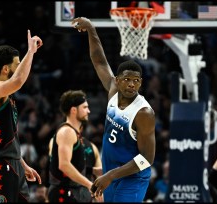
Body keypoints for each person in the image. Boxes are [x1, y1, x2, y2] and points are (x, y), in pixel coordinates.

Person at [71, 17, 156, 202]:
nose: (131, 84)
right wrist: (91, 30)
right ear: (117, 80)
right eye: (127, 79)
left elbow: (146, 159)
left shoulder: (143, 113)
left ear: (140, 83)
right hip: (111, 174)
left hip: (131, 179)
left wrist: (111, 175)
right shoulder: (113, 90)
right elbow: (99, 61)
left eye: (136, 80)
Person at [0, 30, 43, 202]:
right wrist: (31, 52)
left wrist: (21, 163)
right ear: (6, 69)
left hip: (12, 164)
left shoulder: (7, 96)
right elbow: (18, 81)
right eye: (17, 63)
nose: (21, 66)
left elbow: (9, 136)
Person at [47, 90, 94, 202]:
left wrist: (97, 171)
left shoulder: (74, 133)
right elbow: (64, 165)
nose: (89, 111)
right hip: (64, 193)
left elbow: (76, 165)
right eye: (85, 107)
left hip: (72, 193)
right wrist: (90, 185)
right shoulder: (66, 132)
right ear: (73, 110)